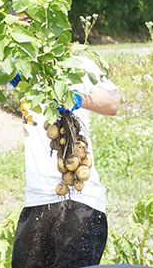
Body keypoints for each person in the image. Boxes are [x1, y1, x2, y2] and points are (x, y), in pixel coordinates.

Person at [11, 55, 119, 268]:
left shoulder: (78, 62)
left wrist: (76, 99)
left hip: (81, 200)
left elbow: (110, 104)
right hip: (37, 199)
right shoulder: (19, 60)